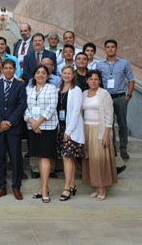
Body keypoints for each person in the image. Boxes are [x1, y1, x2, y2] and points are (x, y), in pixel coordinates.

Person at [0, 59, 27, 200]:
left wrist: (10, 122)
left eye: (11, 68)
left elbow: (21, 105)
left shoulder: (20, 85)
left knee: (16, 158)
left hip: (14, 128)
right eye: (5, 68)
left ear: (15, 69)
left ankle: (16, 187)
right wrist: (1, 121)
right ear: (2, 69)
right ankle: (1, 187)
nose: (8, 70)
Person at [82, 70, 118, 201]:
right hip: (86, 129)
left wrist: (106, 135)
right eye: (90, 79)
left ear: (100, 81)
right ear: (87, 80)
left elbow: (109, 116)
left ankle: (102, 188)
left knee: (99, 160)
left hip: (99, 130)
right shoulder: (84, 93)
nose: (93, 81)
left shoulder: (104, 94)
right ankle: (97, 187)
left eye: (96, 79)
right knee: (90, 160)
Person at [96, 39, 134, 159]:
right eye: (108, 47)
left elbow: (131, 79)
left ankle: (123, 148)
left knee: (122, 124)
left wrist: (128, 96)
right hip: (106, 98)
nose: (110, 49)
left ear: (116, 49)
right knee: (109, 124)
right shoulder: (99, 64)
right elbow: (97, 81)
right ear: (105, 49)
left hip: (120, 97)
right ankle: (112, 148)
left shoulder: (124, 63)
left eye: (113, 47)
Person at [25, 65, 58, 203]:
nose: (40, 75)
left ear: (48, 75)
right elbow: (24, 107)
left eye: (43, 73)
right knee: (39, 157)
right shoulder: (28, 89)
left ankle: (44, 189)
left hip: (48, 127)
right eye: (38, 72)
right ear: (34, 75)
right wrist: (33, 122)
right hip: (32, 127)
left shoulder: (52, 88)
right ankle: (42, 188)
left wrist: (38, 123)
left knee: (45, 157)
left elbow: (52, 107)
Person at [56, 65, 85, 201]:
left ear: (73, 75)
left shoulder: (76, 90)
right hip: (61, 127)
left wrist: (69, 130)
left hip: (70, 129)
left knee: (66, 157)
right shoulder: (59, 89)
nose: (66, 75)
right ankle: (73, 184)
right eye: (64, 73)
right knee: (70, 158)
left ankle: (67, 187)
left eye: (69, 73)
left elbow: (76, 111)